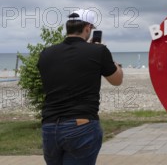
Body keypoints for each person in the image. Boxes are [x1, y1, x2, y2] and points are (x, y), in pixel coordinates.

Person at [37, 9, 123, 164]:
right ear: (88, 28)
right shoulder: (98, 51)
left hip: (49, 125)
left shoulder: (46, 53)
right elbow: (117, 80)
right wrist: (113, 63)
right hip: (81, 124)